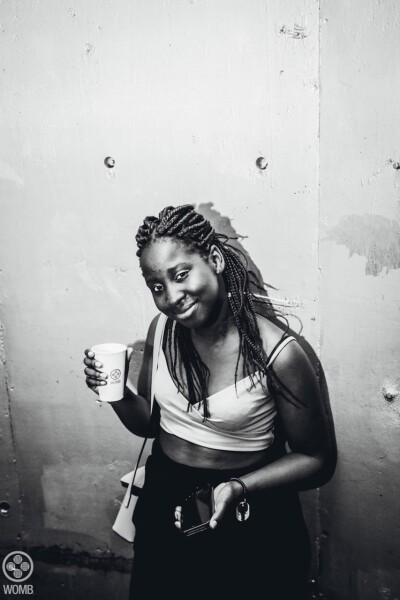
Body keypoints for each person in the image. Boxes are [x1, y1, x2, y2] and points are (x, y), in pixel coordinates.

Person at [84, 204, 336, 600]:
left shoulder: (278, 354)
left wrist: (239, 486)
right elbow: (150, 424)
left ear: (215, 260)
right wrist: (115, 393)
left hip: (248, 509)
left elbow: (317, 460)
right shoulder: (162, 330)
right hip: (166, 497)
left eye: (181, 274)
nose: (171, 297)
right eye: (156, 286)